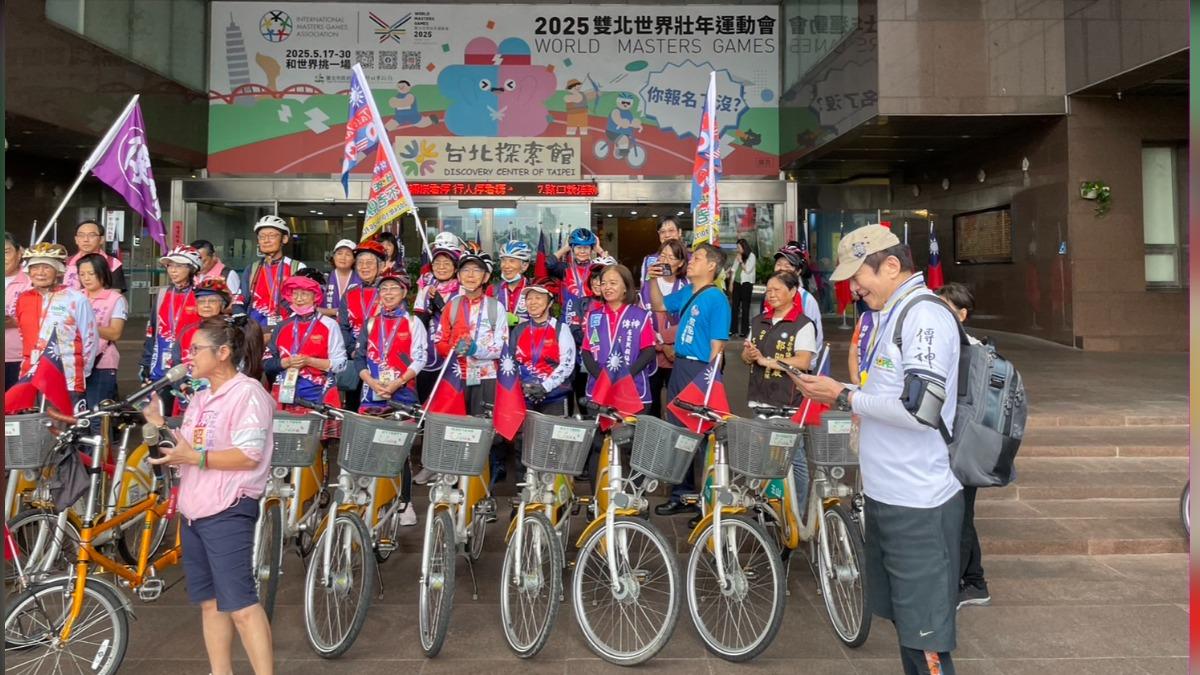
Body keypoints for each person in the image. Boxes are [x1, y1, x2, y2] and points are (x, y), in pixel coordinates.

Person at [793, 225, 963, 675]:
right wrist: (840, 390)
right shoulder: (892, 312)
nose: (854, 289)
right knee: (911, 629)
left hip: (919, 504)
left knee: (926, 636)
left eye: (858, 277)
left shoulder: (923, 316)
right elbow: (890, 393)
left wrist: (845, 397)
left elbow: (922, 409)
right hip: (891, 497)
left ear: (891, 265)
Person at [142, 317, 274, 675]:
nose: (190, 355)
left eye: (197, 348)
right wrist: (158, 425)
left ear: (223, 353)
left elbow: (249, 454)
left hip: (228, 509)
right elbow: (188, 447)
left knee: (242, 605)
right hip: (195, 511)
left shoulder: (247, 394)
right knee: (210, 603)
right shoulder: (201, 397)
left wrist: (194, 457)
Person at [645, 244, 730, 516]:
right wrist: (651, 280)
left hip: (701, 370)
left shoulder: (717, 298)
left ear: (712, 266)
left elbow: (718, 346)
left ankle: (707, 502)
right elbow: (658, 305)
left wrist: (708, 380)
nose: (691, 262)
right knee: (679, 431)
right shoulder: (687, 291)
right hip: (680, 366)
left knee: (703, 434)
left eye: (698, 258)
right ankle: (680, 494)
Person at [934, 282, 990, 610]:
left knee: (960, 515)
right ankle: (975, 580)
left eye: (946, 309)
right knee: (961, 513)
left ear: (962, 314)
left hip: (965, 442)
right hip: (953, 441)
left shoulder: (971, 350)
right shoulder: (950, 345)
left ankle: (959, 585)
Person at [354, 272, 426, 522]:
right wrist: (371, 380)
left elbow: (420, 358)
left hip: (403, 395)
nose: (388, 293)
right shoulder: (371, 322)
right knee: (373, 450)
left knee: (400, 451)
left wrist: (397, 382)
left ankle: (405, 503)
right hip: (371, 395)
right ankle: (374, 501)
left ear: (404, 293)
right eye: (383, 289)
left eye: (393, 288)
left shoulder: (413, 322)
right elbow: (360, 357)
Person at [743, 271, 816, 517]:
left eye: (777, 290)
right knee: (762, 457)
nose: (771, 295)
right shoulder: (759, 321)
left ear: (793, 292)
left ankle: (798, 511)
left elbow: (804, 360)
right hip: (761, 400)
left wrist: (767, 361)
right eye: (768, 290)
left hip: (789, 402)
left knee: (795, 459)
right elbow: (746, 356)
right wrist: (750, 355)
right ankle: (766, 508)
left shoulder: (803, 324)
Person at [435, 253, 508, 477]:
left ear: (485, 277)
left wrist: (476, 350)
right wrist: (453, 351)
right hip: (458, 377)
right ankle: (459, 474)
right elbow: (439, 340)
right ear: (458, 276)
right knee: (458, 427)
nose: (470, 275)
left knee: (486, 428)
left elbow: (501, 347)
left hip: (487, 376)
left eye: (476, 271)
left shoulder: (496, 308)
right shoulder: (452, 306)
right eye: (465, 271)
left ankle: (488, 475)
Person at [14, 243, 98, 409]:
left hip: (66, 377)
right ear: (28, 271)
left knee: (66, 429)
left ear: (59, 271)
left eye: (46, 267)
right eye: (35, 267)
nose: (40, 272)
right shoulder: (23, 299)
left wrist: (81, 371)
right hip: (30, 376)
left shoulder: (76, 299)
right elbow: (23, 336)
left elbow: (90, 339)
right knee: (33, 429)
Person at [411, 236, 463, 485]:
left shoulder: (463, 289)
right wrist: (428, 308)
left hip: (453, 359)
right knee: (429, 411)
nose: (441, 267)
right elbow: (418, 322)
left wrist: (441, 306)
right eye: (437, 263)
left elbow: (461, 322)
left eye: (447, 263)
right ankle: (430, 462)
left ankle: (450, 463)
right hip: (429, 357)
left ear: (455, 267)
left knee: (450, 411)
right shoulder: (424, 288)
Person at [140, 246, 203, 413]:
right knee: (160, 415)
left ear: (192, 268)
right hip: (160, 366)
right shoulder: (162, 294)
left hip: (189, 366)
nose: (173, 270)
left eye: (179, 266)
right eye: (170, 265)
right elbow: (152, 332)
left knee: (187, 415)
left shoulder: (201, 296)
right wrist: (145, 363)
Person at [584, 264, 657, 407]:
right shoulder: (593, 316)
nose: (607, 287)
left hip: (633, 389)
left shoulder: (640, 316)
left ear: (625, 287)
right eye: (603, 283)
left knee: (627, 429)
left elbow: (648, 352)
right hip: (599, 388)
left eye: (613, 283)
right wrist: (603, 378)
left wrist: (624, 378)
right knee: (599, 428)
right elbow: (586, 352)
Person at [173, 278, 242, 413]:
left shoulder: (232, 331)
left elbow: (240, 365)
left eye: (212, 301)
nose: (206, 305)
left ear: (223, 305)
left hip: (224, 399)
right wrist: (182, 386)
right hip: (189, 399)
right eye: (201, 301)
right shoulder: (186, 331)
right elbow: (175, 363)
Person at [640, 240, 687, 418]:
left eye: (671, 257)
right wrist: (662, 345)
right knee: (651, 403)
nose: (665, 260)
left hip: (677, 353)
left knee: (677, 403)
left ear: (681, 262)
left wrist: (670, 345)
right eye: (662, 255)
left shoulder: (686, 287)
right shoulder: (648, 286)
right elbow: (642, 320)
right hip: (652, 354)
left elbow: (687, 322)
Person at [77, 253, 128, 409]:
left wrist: (88, 326)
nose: (86, 278)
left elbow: (115, 333)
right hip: (77, 362)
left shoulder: (116, 299)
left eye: (91, 273)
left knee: (97, 412)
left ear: (103, 273)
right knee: (77, 412)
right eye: (82, 274)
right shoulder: (76, 297)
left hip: (102, 362)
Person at [239, 215, 305, 333]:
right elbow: (241, 297)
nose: (266, 240)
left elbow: (305, 301)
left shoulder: (297, 268)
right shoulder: (252, 269)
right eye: (261, 236)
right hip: (256, 330)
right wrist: (238, 312)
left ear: (284, 239)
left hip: (287, 329)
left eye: (272, 235)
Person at [563, 259, 609, 416]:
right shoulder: (581, 303)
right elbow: (574, 328)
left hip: (609, 363)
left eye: (601, 279)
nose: (597, 283)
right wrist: (592, 347)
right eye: (594, 278)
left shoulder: (617, 306)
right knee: (584, 400)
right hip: (583, 360)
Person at [772, 244, 825, 353]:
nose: (781, 269)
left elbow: (816, 337)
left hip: (797, 364)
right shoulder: (769, 296)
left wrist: (807, 364)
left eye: (787, 266)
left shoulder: (807, 300)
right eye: (778, 264)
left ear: (798, 271)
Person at [64, 219, 127, 293]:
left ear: (101, 239)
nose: (86, 239)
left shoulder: (113, 263)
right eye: (81, 235)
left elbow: (115, 293)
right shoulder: (67, 262)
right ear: (76, 239)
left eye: (92, 235)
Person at [549, 227, 602, 311]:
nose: (582, 251)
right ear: (572, 249)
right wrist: (565, 248)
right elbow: (549, 264)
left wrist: (599, 250)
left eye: (586, 248)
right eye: (579, 248)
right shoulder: (565, 268)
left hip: (592, 314)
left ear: (591, 250)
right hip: (569, 316)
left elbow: (614, 269)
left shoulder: (597, 267)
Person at [5, 233, 33, 390]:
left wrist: (14, 321)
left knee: (16, 411)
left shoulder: (32, 281)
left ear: (19, 252)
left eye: (6, 252)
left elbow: (41, 316)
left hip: (19, 358)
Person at [489, 240, 533, 325]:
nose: (506, 266)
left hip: (524, 337)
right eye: (503, 260)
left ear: (524, 266)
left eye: (512, 261)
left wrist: (517, 320)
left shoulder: (533, 290)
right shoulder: (492, 290)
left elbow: (542, 323)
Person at [321, 239, 360, 320]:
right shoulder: (324, 279)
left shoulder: (360, 280)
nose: (343, 257)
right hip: (328, 327)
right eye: (339, 253)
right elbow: (313, 308)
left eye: (348, 254)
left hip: (353, 328)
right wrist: (333, 312)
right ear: (334, 257)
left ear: (354, 259)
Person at [638, 216, 683, 284]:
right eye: (662, 232)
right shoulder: (649, 260)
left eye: (671, 230)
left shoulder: (692, 258)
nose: (667, 235)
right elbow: (644, 287)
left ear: (679, 232)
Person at [729, 238, 757, 338]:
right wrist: (731, 283)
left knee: (745, 307)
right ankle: (733, 329)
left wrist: (741, 261)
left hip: (746, 284)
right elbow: (733, 269)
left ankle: (744, 331)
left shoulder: (751, 256)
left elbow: (748, 270)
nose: (738, 249)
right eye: (737, 247)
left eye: (739, 247)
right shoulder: (738, 256)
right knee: (734, 307)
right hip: (737, 283)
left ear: (744, 247)